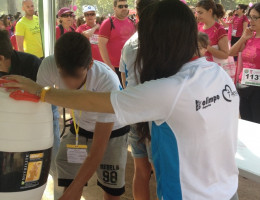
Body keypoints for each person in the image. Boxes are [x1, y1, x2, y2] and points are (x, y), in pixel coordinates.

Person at [2, 1, 240, 200]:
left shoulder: (169, 90)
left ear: (161, 42)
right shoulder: (216, 74)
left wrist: (42, 92)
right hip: (228, 190)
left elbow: (98, 102)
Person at [16, 32, 129, 200]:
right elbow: (39, 109)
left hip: (113, 132)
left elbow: (98, 150)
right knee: (68, 179)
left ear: (90, 65)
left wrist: (70, 193)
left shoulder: (107, 81)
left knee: (111, 190)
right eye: (63, 75)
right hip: (80, 128)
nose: (69, 83)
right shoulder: (48, 65)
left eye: (76, 76)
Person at [119, 0, 157, 199]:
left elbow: (124, 77)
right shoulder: (162, 40)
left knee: (141, 170)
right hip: (155, 112)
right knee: (159, 171)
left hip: (134, 110)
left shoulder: (129, 43)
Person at [229, 3, 260, 124]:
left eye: (255, 17)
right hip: (244, 86)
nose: (250, 20)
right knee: (247, 122)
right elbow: (231, 52)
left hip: (258, 91)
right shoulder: (249, 36)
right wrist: (243, 38)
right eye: (249, 16)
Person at [98, 0, 136, 82]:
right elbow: (101, 45)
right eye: (120, 6)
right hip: (115, 67)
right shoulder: (108, 23)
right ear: (114, 8)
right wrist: (109, 65)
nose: (124, 8)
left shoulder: (132, 22)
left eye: (126, 6)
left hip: (130, 65)